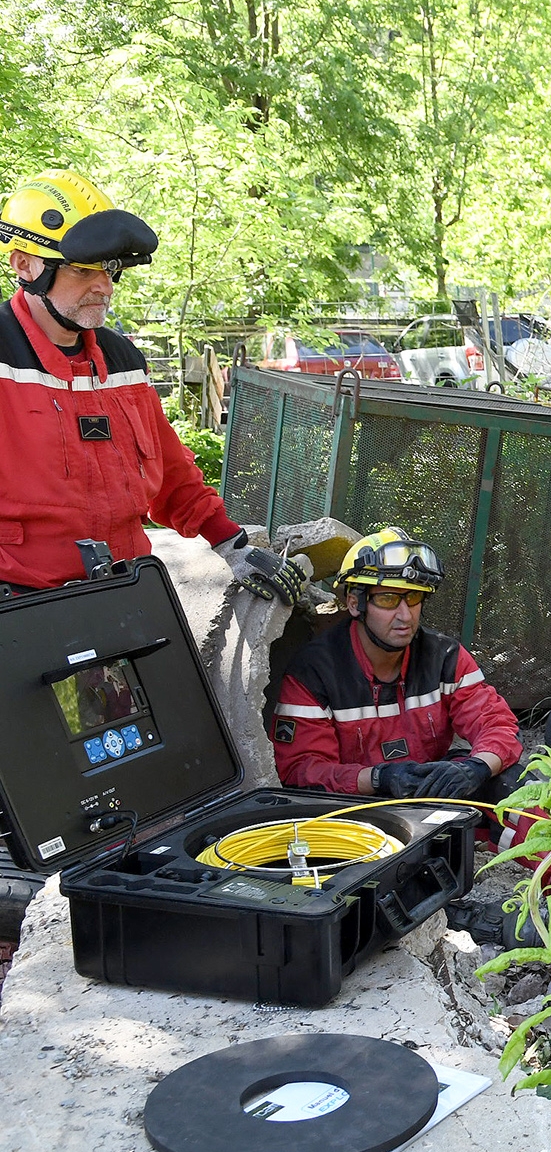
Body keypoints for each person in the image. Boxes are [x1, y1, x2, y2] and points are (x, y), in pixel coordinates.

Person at [0, 170, 303, 602]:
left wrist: (232, 546)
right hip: (21, 605)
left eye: (109, 269)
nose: (103, 285)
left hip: (124, 590)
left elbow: (168, 470)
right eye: (84, 269)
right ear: (25, 265)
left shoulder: (122, 361)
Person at [270, 528, 522, 804]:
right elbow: (301, 771)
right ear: (355, 604)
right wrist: (381, 779)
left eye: (413, 597)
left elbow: (496, 724)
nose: (405, 615)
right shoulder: (314, 673)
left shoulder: (445, 657)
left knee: (520, 786)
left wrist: (476, 768)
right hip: (353, 807)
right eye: (388, 599)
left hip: (430, 793)